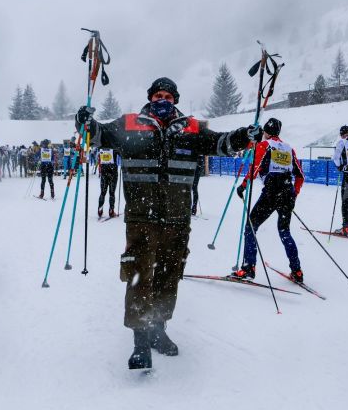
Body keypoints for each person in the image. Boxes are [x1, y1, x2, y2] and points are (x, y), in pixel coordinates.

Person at [75, 76, 258, 370]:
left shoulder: (192, 128)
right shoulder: (129, 124)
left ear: (175, 101)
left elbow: (221, 143)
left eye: (168, 97)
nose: (163, 100)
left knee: (169, 275)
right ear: (150, 98)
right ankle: (140, 341)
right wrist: (85, 123)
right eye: (158, 95)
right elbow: (98, 136)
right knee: (139, 274)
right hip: (141, 217)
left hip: (177, 219)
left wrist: (244, 136)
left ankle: (158, 329)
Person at [233, 118, 305, 282]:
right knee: (285, 232)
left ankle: (248, 268)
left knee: (251, 227)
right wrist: (294, 193)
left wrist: (243, 185)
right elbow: (300, 176)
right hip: (287, 193)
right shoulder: (289, 148)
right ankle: (297, 271)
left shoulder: (264, 145)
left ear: (266, 131)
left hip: (271, 194)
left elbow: (255, 168)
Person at [97, 147, 119, 217]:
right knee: (112, 193)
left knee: (103, 192)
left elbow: (99, 155)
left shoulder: (101, 146)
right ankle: (111, 210)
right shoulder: (114, 146)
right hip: (113, 172)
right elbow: (121, 154)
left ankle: (100, 209)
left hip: (104, 171)